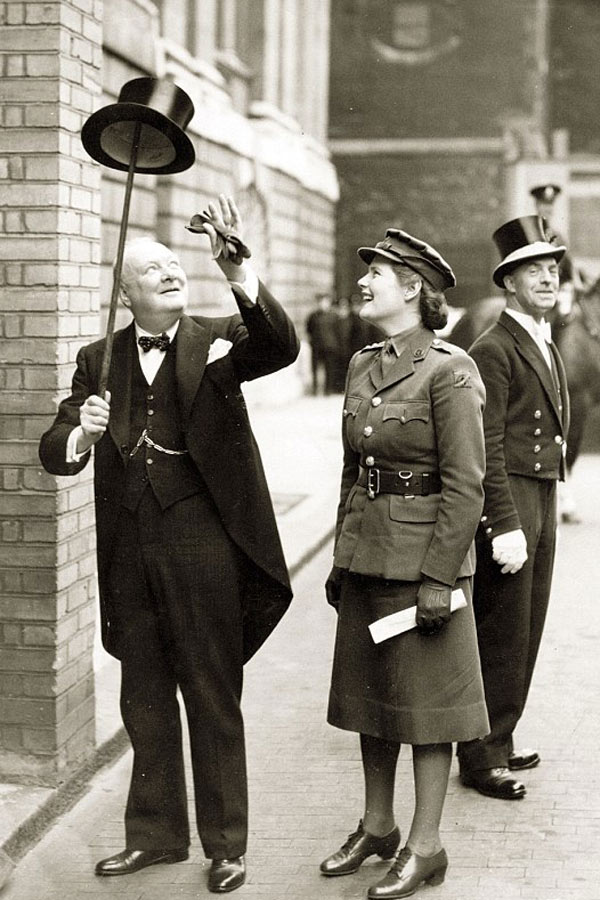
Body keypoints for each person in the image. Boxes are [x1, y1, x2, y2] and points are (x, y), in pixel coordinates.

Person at [38, 195, 300, 893]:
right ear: (125, 294)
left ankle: (227, 845)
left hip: (204, 547)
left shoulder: (216, 338)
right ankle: (155, 837)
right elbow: (54, 453)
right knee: (144, 700)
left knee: (212, 695)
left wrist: (238, 275)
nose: (171, 272)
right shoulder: (99, 359)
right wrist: (82, 434)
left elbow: (279, 346)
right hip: (130, 556)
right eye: (153, 269)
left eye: (176, 266)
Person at [320, 229, 489, 899]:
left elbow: (466, 484)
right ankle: (378, 825)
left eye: (379, 274)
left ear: (415, 288)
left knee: (425, 711)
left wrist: (441, 578)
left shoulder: (451, 369)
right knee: (371, 701)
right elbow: (352, 469)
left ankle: (427, 846)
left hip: (423, 566)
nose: (364, 283)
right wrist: (342, 554)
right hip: (368, 557)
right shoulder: (364, 363)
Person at [457, 215, 570, 800]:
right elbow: (487, 444)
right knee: (501, 628)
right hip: (512, 501)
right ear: (509, 282)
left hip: (541, 494)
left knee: (528, 624)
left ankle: (501, 737)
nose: (548, 278)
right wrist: (503, 523)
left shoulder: (541, 337)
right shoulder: (494, 345)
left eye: (552, 269)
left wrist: (558, 485)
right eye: (534, 271)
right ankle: (480, 757)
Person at [305, 292, 337, 394]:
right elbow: (309, 329)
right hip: (316, 345)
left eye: (325, 302)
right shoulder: (313, 316)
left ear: (329, 303)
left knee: (329, 368)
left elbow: (337, 330)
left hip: (329, 345)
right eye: (321, 302)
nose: (323, 304)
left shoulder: (333, 316)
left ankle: (328, 389)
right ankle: (315, 389)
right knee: (315, 368)